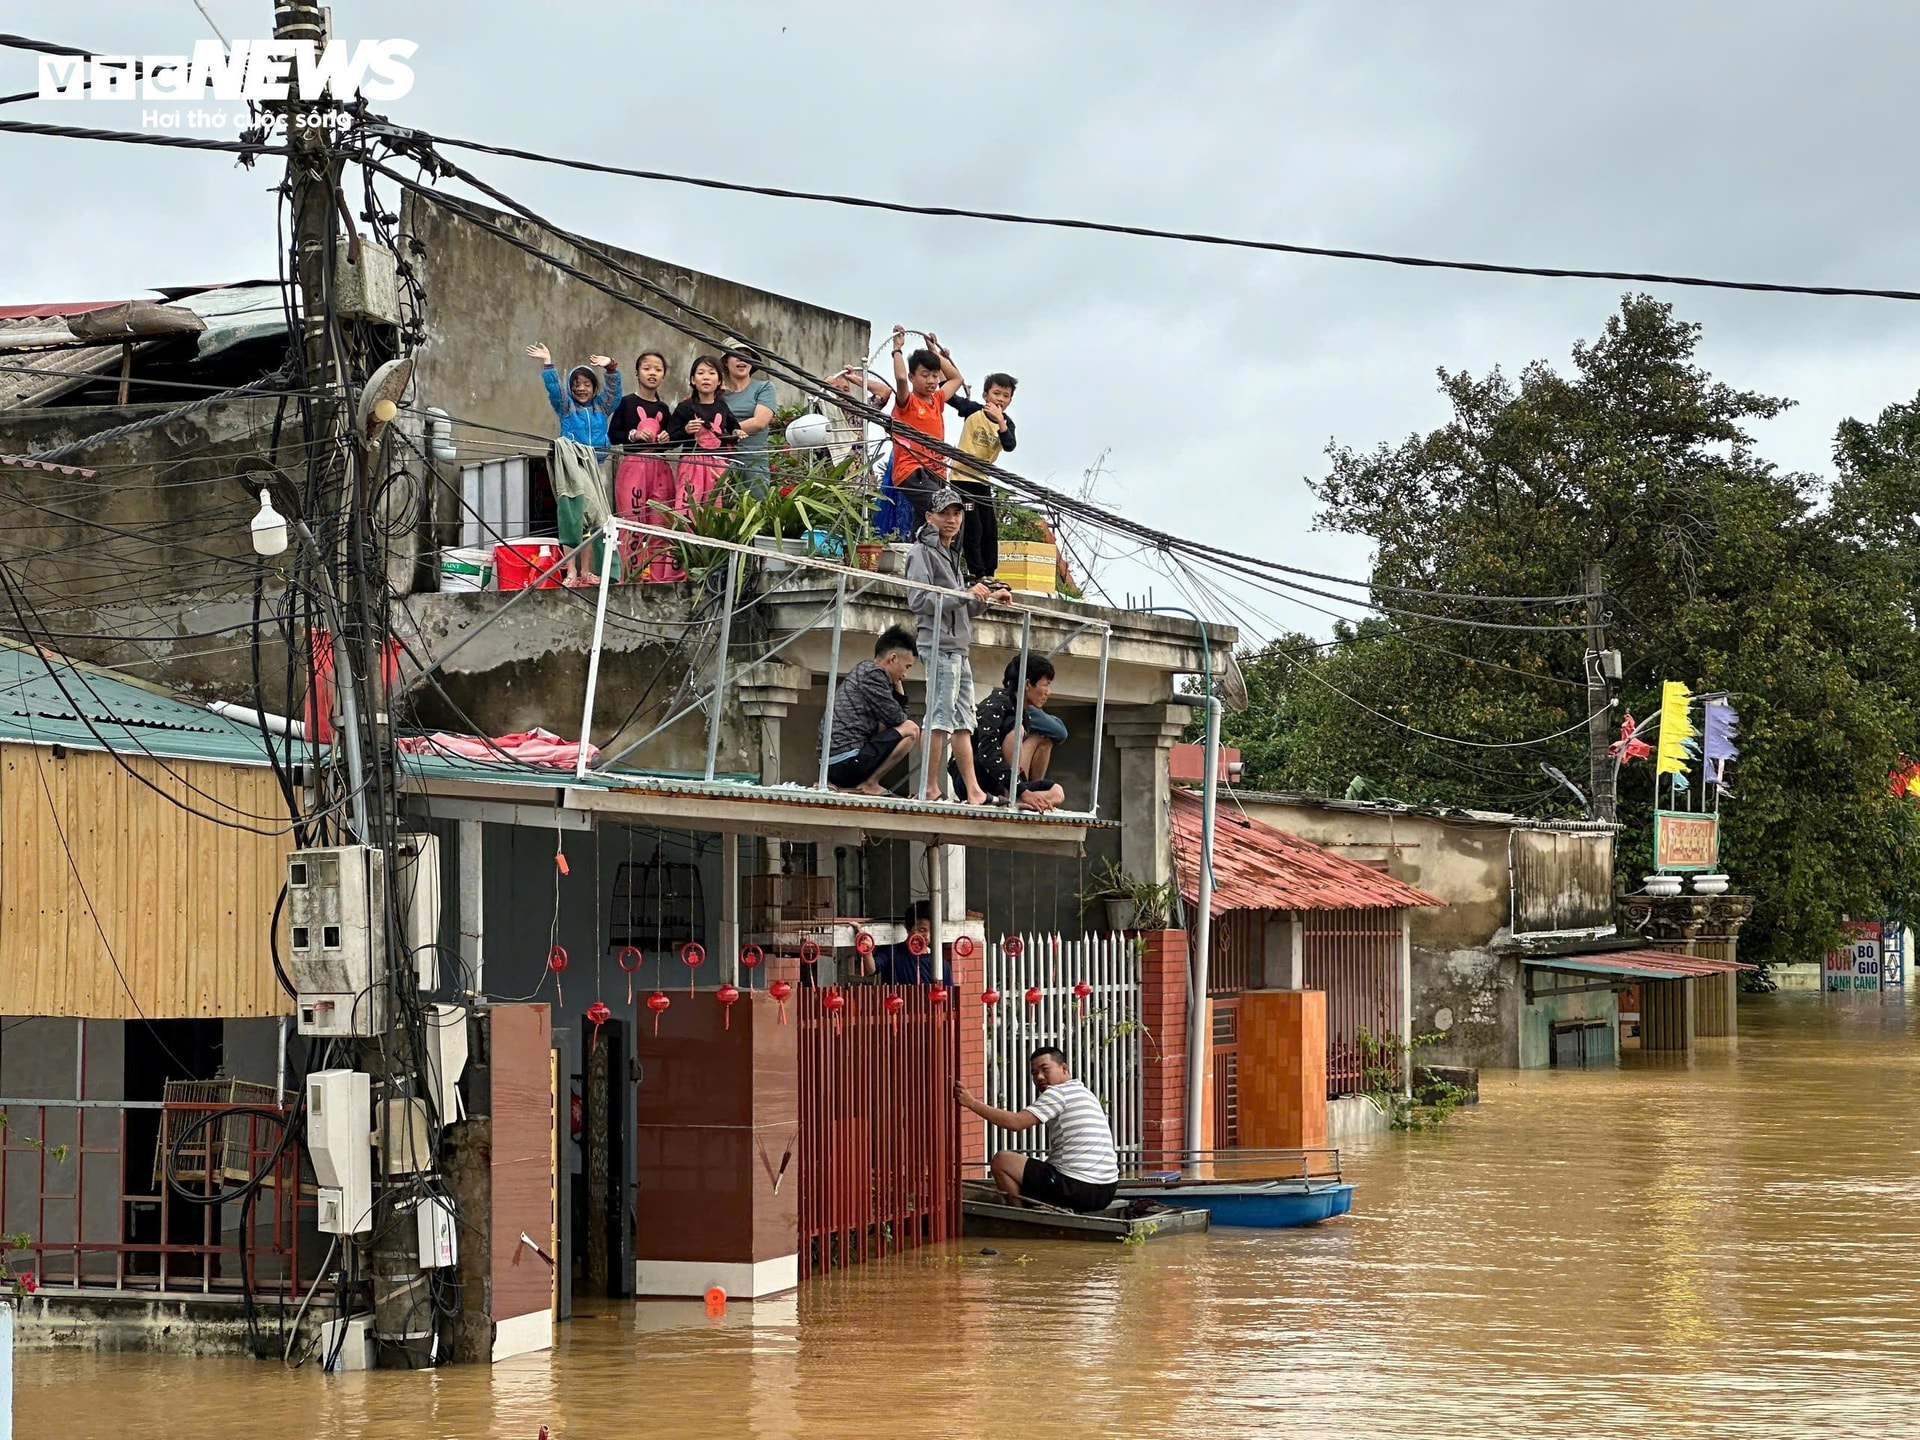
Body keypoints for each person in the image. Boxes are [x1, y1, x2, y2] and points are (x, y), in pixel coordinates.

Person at [905, 487, 1010, 804]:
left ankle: (975, 791)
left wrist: (989, 599)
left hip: (958, 647)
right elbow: (919, 600)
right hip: (939, 645)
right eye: (944, 513)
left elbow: (963, 607)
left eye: (956, 513)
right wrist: (964, 594)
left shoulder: (950, 554)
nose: (951, 519)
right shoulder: (920, 553)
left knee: (964, 720)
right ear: (930, 517)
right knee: (939, 717)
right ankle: (929, 787)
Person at [954, 1048, 1120, 1214]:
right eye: (1034, 1073)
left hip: (1079, 1188)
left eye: (1045, 1069)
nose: (1039, 1077)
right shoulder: (1084, 1092)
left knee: (1002, 1161)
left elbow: (1016, 1123)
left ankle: (1020, 1219)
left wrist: (971, 1103)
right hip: (1107, 1190)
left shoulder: (1058, 1093)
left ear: (1064, 1068)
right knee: (1036, 1169)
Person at [527, 342, 620, 584]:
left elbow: (614, 393)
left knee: (591, 520)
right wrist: (548, 363)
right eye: (576, 384)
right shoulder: (567, 408)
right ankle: (571, 571)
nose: (581, 388)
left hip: (594, 467)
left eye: (586, 384)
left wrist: (610, 367)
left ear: (593, 387)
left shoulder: (601, 407)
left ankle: (587, 572)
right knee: (572, 518)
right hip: (571, 467)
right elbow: (555, 392)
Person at [958, 653, 1068, 811]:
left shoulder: (1023, 711)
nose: (1048, 692)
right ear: (1028, 684)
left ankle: (1015, 797)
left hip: (1006, 782)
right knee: (1015, 728)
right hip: (978, 778)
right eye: (1046, 685)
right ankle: (1013, 797)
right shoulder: (995, 705)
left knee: (1057, 793)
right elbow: (987, 755)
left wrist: (1024, 790)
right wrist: (1023, 792)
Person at [824, 624, 921, 795]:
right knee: (911, 729)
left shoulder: (866, 671)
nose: (905, 674)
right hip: (845, 763)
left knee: (885, 727)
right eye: (907, 666)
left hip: (835, 764)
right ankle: (870, 783)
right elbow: (899, 718)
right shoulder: (874, 675)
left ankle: (851, 786)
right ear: (892, 658)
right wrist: (898, 686)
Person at [608, 350, 679, 581]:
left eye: (658, 369)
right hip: (634, 467)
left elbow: (672, 441)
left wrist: (667, 440)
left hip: (660, 468)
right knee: (633, 522)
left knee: (661, 524)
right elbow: (613, 434)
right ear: (637, 372)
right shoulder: (626, 403)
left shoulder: (664, 409)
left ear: (664, 376)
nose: (652, 373)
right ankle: (630, 578)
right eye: (647, 368)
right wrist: (634, 435)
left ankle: (659, 578)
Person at [888, 325, 965, 533]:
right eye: (925, 375)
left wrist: (935, 353)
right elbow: (901, 379)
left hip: (936, 472)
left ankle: (924, 561)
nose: (931, 381)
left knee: (930, 524)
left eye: (934, 375)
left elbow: (957, 379)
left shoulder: (936, 400)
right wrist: (897, 349)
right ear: (914, 377)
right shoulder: (908, 402)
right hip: (913, 470)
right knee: (947, 512)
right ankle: (946, 564)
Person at [948, 372, 1017, 583]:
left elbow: (1010, 445)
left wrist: (1000, 421)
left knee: (989, 528)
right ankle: (978, 573)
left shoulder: (1007, 424)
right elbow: (949, 395)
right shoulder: (973, 410)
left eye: (1005, 396)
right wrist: (941, 359)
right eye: (996, 393)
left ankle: (990, 574)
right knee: (972, 526)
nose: (1000, 399)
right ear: (985, 394)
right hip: (961, 479)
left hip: (982, 481)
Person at [667, 355, 742, 513]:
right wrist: (686, 431)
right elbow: (670, 439)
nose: (706, 377)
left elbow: (733, 425)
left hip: (718, 465)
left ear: (720, 381)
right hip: (691, 464)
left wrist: (737, 432)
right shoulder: (685, 407)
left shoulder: (722, 406)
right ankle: (685, 537)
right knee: (686, 507)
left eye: (711, 373)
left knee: (717, 507)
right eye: (701, 373)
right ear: (693, 380)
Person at [720, 345, 778, 492]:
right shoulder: (718, 395)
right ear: (726, 361)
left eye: (747, 355)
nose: (742, 358)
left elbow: (759, 422)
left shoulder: (764, 387)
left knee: (755, 511)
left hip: (754, 465)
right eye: (736, 354)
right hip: (722, 463)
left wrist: (720, 432)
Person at [872, 900, 938, 985]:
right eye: (922, 930)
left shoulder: (939, 963)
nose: (927, 936)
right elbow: (871, 969)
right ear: (908, 928)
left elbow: (948, 995)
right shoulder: (891, 952)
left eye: (932, 930)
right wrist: (867, 951)